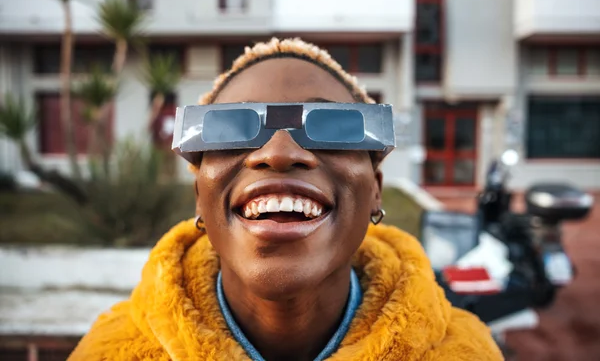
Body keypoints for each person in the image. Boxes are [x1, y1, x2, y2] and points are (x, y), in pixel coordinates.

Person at [68, 38, 502, 361]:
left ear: (375, 191)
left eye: (332, 126)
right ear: (199, 197)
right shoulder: (109, 351)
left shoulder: (465, 351)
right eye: (234, 127)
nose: (278, 153)